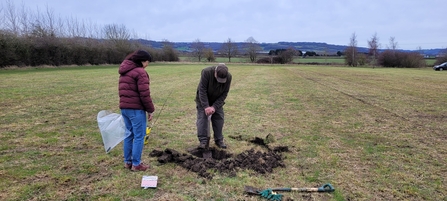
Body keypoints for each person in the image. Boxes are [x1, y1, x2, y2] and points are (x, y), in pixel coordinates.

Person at [118, 50, 155, 171]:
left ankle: (127, 162)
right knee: (139, 136)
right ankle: (136, 164)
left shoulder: (124, 71)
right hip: (136, 110)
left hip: (124, 108)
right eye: (147, 61)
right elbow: (144, 94)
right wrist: (150, 110)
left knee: (128, 135)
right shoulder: (140, 72)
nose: (147, 64)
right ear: (142, 61)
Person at [195, 63, 232, 149]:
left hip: (217, 101)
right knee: (202, 119)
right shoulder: (206, 72)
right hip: (203, 100)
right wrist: (206, 106)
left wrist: (214, 106)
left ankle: (219, 140)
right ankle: (203, 142)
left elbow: (224, 93)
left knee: (219, 119)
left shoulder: (229, 77)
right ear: (215, 72)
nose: (220, 81)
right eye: (218, 78)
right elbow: (202, 90)